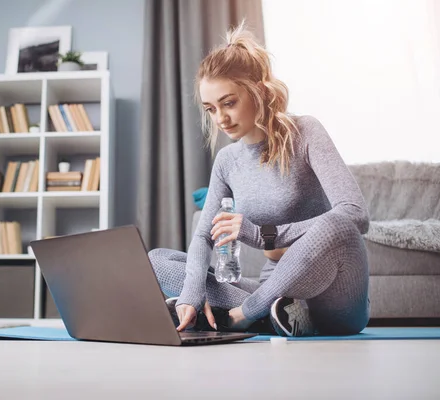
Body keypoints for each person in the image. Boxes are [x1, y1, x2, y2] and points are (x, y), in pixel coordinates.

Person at [147, 21, 371, 337]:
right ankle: (273, 315)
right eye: (211, 109)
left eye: (229, 103)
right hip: (276, 292)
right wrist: (191, 294)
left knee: (335, 225)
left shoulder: (305, 132)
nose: (220, 119)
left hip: (334, 297)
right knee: (157, 260)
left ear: (258, 91)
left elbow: (355, 215)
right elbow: (202, 238)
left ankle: (246, 314)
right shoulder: (227, 160)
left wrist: (265, 234)